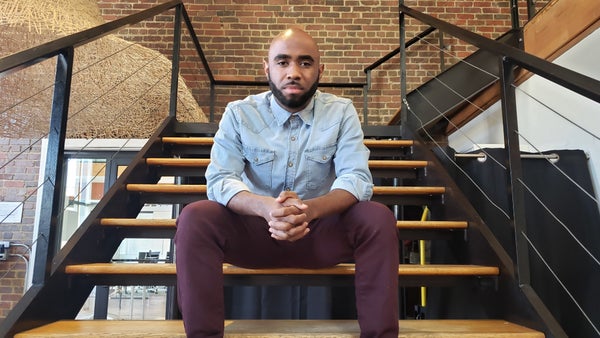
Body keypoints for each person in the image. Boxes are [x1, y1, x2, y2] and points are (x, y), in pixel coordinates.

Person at [175, 27, 399, 338]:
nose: (293, 72)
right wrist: (266, 208)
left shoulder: (342, 112)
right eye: (282, 62)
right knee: (195, 217)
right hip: (256, 234)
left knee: (377, 217)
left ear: (320, 70)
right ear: (267, 68)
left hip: (320, 234)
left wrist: (308, 210)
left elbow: (356, 178)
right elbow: (220, 179)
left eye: (305, 63)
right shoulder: (240, 114)